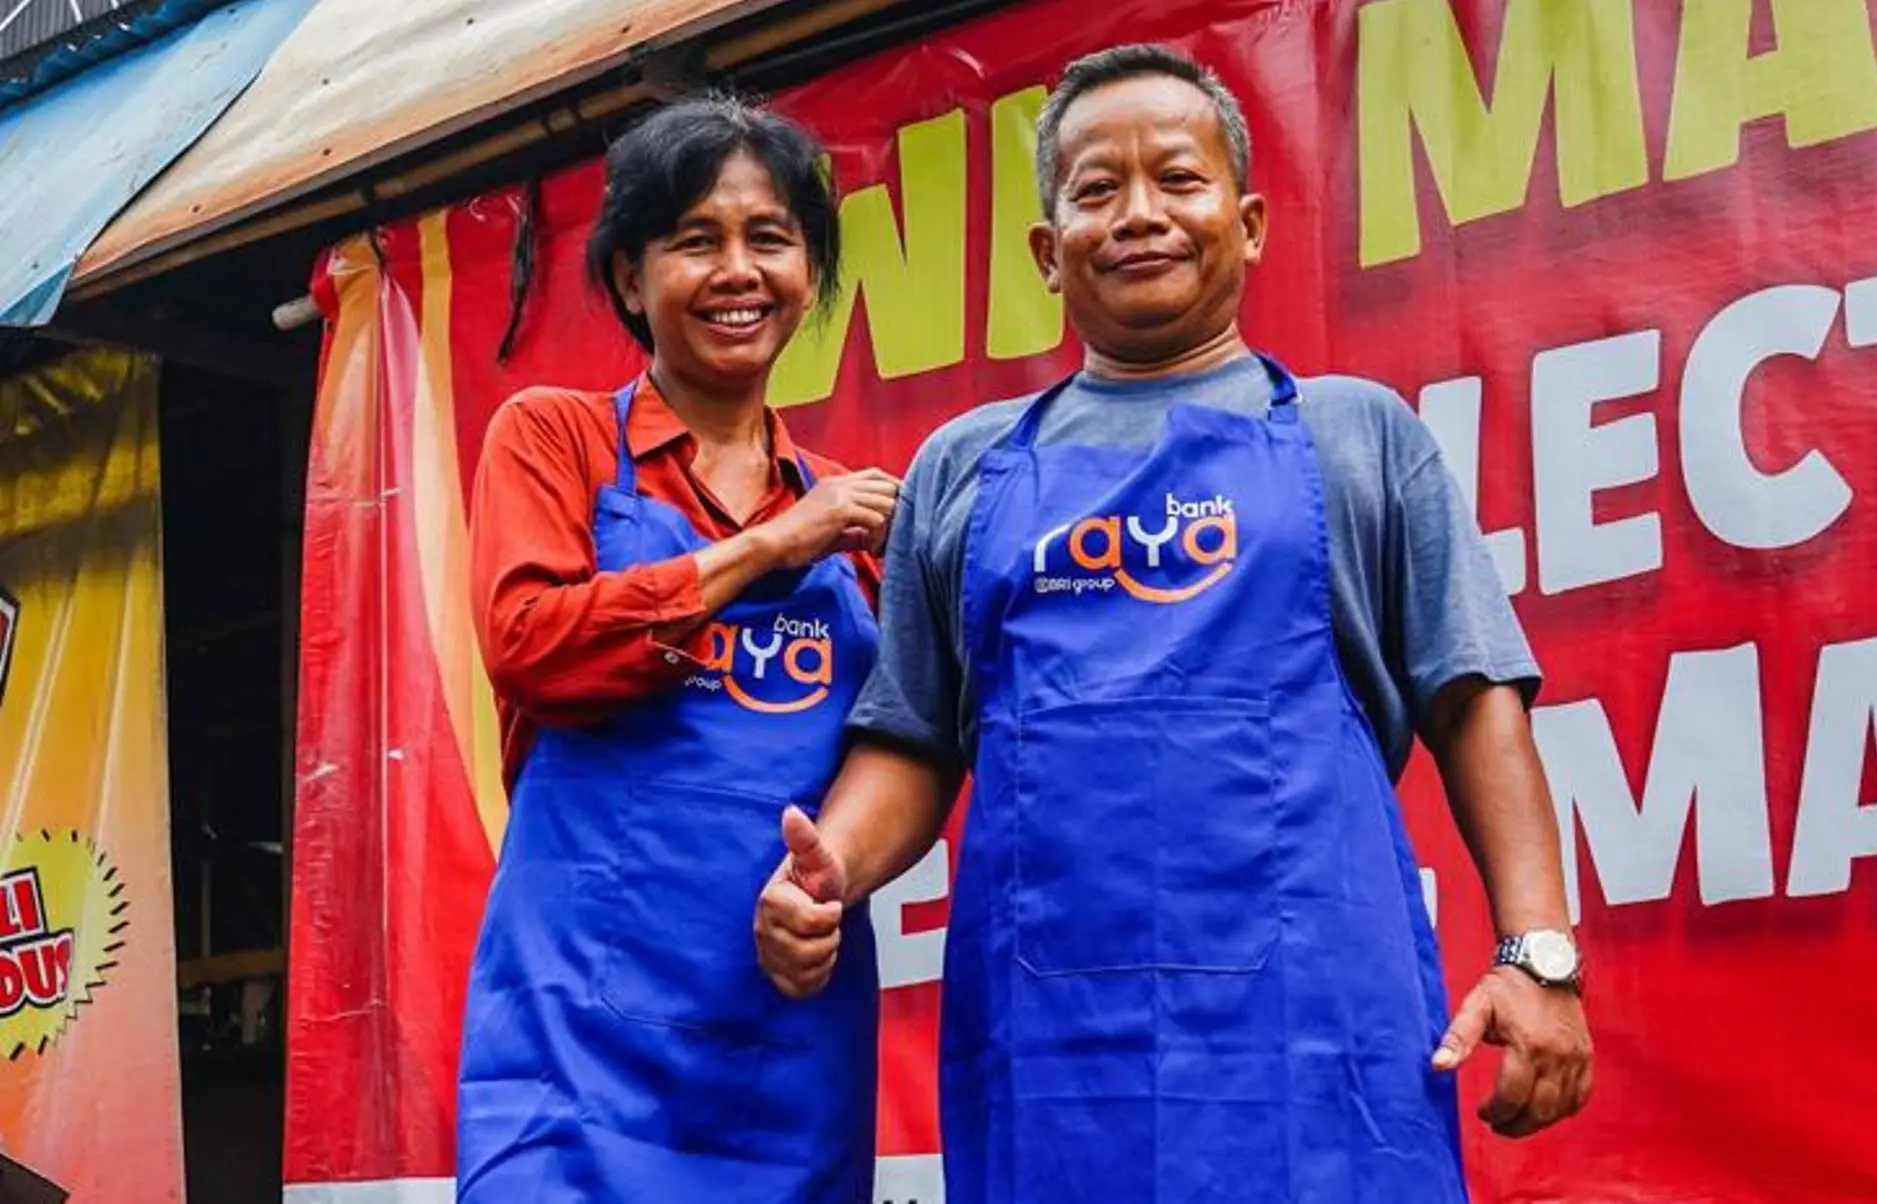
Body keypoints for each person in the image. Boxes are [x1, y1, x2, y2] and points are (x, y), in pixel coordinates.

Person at [755, 43, 1595, 1202]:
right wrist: (831, 869)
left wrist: (1537, 953)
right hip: (1050, 1050)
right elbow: (913, 736)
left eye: (1179, 180)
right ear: (1051, 253)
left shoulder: (1360, 436)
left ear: (1247, 223)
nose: (1140, 214)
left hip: (1315, 1041)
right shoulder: (963, 467)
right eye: (1097, 191)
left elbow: (1474, 699)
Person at [457, 96, 896, 1203]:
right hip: (574, 1040)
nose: (737, 271)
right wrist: (766, 547)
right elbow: (533, 646)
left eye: (770, 238)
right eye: (695, 240)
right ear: (626, 278)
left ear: (809, 272)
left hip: (786, 1047)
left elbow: (915, 746)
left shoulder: (863, 531)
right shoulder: (554, 438)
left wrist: (832, 874)